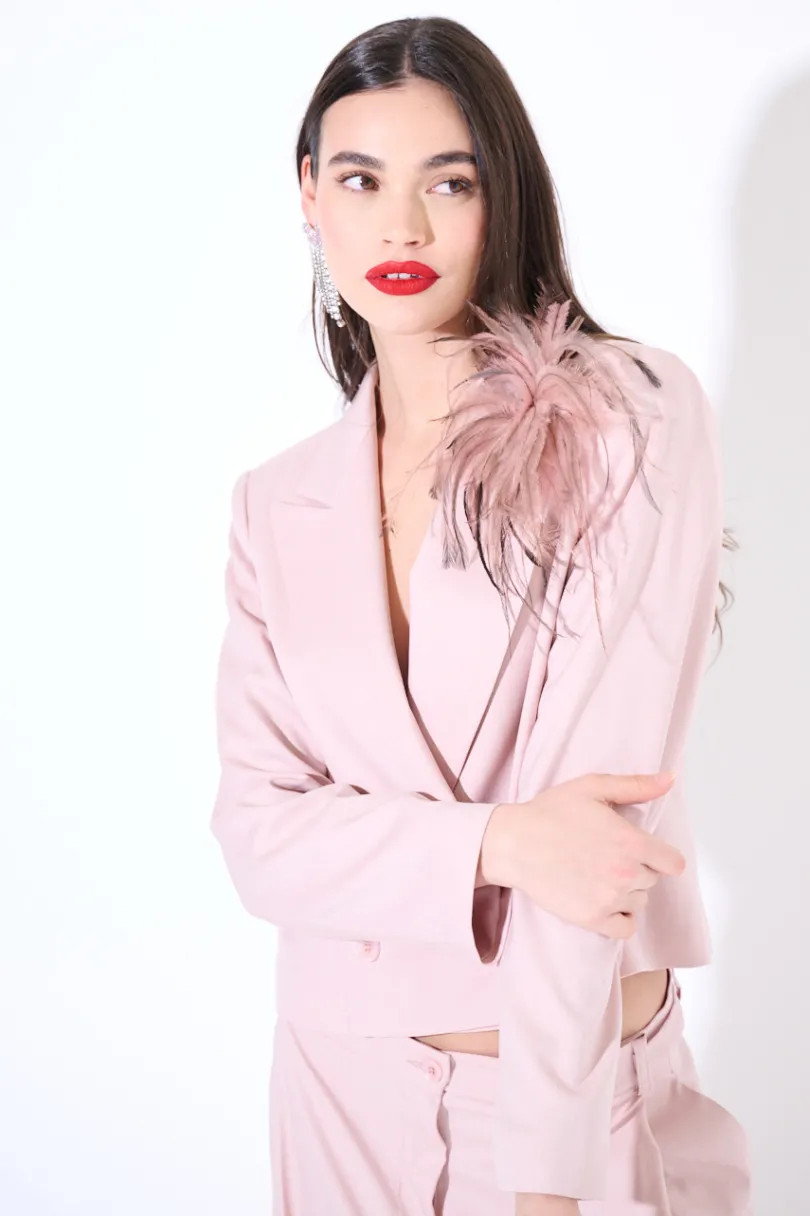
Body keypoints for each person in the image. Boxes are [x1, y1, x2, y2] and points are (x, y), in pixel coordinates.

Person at [209, 16, 752, 1216]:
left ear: (502, 196)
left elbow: (593, 847)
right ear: (310, 194)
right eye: (362, 180)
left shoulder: (626, 419)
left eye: (448, 182)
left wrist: (548, 1182)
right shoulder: (275, 502)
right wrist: (500, 842)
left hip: (568, 1101)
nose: (401, 227)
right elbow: (257, 832)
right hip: (336, 1097)